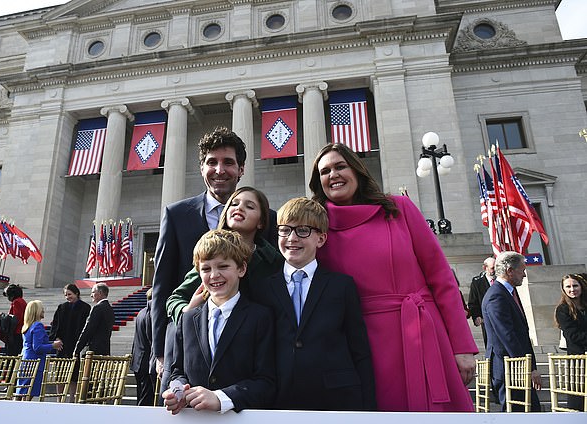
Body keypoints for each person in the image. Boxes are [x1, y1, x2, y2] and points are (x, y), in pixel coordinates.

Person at [308, 143, 477, 412]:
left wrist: (462, 346)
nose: (333, 175)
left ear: (357, 169)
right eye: (325, 171)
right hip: (363, 348)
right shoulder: (316, 229)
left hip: (423, 334)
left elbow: (442, 279)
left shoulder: (398, 208)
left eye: (340, 166)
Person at [151, 127, 277, 384]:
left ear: (241, 169)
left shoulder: (268, 219)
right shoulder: (176, 214)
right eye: (212, 162)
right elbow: (163, 286)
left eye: (228, 162)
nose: (219, 170)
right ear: (201, 168)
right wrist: (160, 350)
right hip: (186, 349)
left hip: (246, 349)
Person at [249, 197, 376, 411]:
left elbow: (360, 351)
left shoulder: (341, 286)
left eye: (303, 231)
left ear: (321, 238)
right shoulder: (261, 289)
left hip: (338, 399)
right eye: (285, 230)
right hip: (279, 400)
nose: (292, 238)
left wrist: (369, 410)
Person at [163, 230, 275, 414]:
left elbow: (267, 382)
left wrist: (221, 398)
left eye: (223, 266)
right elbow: (177, 371)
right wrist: (178, 390)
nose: (214, 275)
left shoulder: (261, 318)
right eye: (206, 269)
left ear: (241, 269)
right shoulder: (188, 318)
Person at [166, 187, 283, 326]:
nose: (239, 208)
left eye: (249, 206)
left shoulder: (274, 261)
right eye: (234, 204)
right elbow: (175, 299)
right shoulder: (211, 253)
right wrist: (188, 310)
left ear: (261, 222)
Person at [482, 251, 541, 412]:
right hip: (510, 368)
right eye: (522, 270)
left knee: (532, 412)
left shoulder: (508, 293)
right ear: (510, 270)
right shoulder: (496, 296)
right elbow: (508, 336)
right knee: (517, 414)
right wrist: (527, 367)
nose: (524, 275)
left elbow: (522, 333)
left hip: (517, 366)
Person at [49, 283, 91, 402]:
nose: (68, 297)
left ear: (76, 293)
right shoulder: (61, 307)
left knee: (75, 375)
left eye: (70, 294)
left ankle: (72, 398)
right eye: (66, 295)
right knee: (61, 373)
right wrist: (56, 338)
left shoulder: (85, 307)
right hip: (62, 346)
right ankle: (59, 398)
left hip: (76, 345)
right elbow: (55, 325)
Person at [16, 300, 63, 400]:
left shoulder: (27, 326)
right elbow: (37, 348)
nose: (43, 311)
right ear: (36, 311)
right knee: (29, 392)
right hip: (34, 362)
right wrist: (53, 346)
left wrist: (52, 344)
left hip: (26, 360)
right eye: (41, 309)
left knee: (22, 391)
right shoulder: (38, 325)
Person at [554, 273, 587, 411]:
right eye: (568, 286)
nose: (572, 289)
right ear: (563, 289)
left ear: (582, 286)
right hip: (577, 360)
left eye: (575, 285)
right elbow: (572, 335)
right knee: (578, 399)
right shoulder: (562, 309)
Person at [74, 283, 115, 356]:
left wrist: (77, 349)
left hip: (93, 351)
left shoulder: (97, 308)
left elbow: (88, 330)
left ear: (100, 293)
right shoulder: (110, 309)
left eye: (93, 292)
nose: (91, 295)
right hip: (104, 350)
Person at [131, 288, 156, 406]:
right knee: (146, 399)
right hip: (146, 362)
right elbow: (152, 339)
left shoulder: (141, 312)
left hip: (137, 362)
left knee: (140, 395)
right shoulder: (152, 313)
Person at [468, 257, 496, 347]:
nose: (495, 270)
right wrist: (476, 317)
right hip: (487, 321)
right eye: (492, 268)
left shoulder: (502, 280)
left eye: (496, 267)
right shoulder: (477, 283)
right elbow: (473, 302)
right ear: (485, 268)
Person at [0, 283, 27, 356]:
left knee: (11, 354)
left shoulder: (17, 302)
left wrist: (1, 316)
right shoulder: (21, 301)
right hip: (19, 332)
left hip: (16, 333)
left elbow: (16, 318)